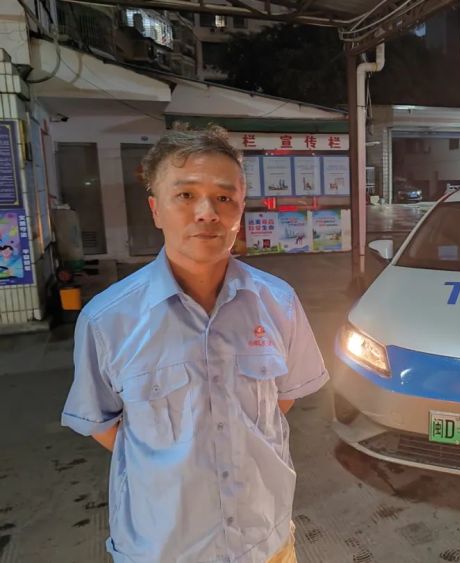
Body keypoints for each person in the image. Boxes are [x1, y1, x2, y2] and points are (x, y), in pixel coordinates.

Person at [61, 126, 328, 562]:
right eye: (185, 195)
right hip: (164, 549)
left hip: (266, 544)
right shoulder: (108, 320)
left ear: (240, 208)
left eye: (224, 197)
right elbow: (103, 425)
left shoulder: (278, 302)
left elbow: (282, 399)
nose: (207, 213)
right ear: (156, 209)